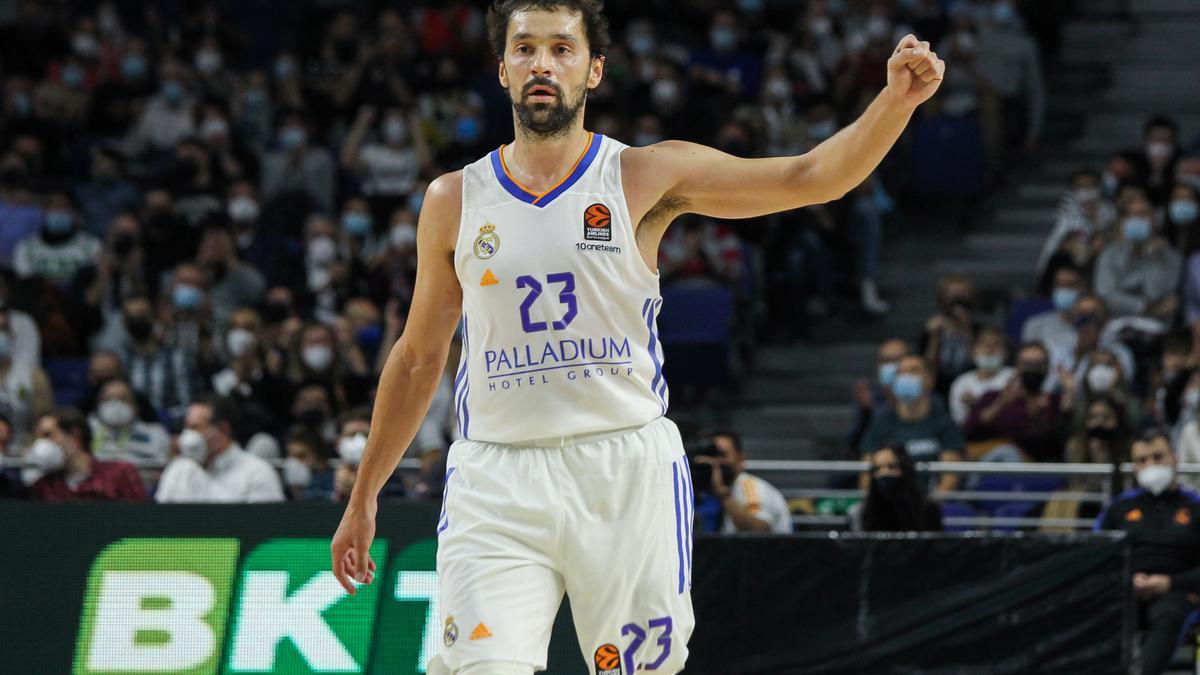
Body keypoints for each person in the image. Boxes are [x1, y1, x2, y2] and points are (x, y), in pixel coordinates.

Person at [329, 2, 946, 673]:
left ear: (593, 70)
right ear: (502, 68)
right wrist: (364, 497)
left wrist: (895, 101)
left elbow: (812, 177)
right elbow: (420, 358)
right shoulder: (453, 199)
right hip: (496, 477)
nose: (542, 63)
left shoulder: (645, 176)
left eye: (562, 49)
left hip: (622, 471)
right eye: (526, 48)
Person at [1095, 429, 1200, 675]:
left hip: (1179, 592)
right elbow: (1097, 556)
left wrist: (1169, 583)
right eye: (1142, 460)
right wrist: (1124, 581)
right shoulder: (1118, 508)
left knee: (1171, 613)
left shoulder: (1196, 507)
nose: (1151, 465)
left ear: (1174, 458)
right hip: (1125, 592)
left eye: (1158, 457)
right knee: (1097, 616)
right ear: (1134, 466)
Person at [859, 355, 964, 492]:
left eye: (914, 371)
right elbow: (866, 476)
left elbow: (949, 479)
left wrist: (925, 509)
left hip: (928, 504)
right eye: (901, 372)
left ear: (930, 380)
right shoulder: (881, 422)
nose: (906, 376)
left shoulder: (944, 423)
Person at [154, 398, 285, 503]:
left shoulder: (257, 474)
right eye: (186, 427)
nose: (187, 435)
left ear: (223, 429)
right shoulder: (177, 470)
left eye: (195, 428)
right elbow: (160, 528)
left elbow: (264, 531)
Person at [962, 342, 1065, 462]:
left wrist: (1038, 417)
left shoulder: (1053, 402)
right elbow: (969, 431)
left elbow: (1052, 448)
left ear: (1047, 368)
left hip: (1030, 467)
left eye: (1037, 365)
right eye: (1027, 364)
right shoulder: (992, 397)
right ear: (1017, 366)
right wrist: (1000, 403)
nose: (1032, 369)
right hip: (988, 462)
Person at [25, 408, 147, 502]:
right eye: (38, 438)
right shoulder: (42, 488)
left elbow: (144, 524)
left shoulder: (121, 474)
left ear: (74, 435)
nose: (40, 444)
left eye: (48, 435)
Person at [695, 430, 791, 534]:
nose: (715, 461)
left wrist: (723, 495)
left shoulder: (751, 487)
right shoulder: (706, 490)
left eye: (722, 454)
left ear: (741, 459)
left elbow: (759, 531)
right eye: (709, 455)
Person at [88, 377, 171, 489]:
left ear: (135, 406)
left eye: (123, 399)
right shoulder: (86, 429)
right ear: (98, 405)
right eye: (108, 399)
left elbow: (164, 470)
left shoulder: (156, 433)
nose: (115, 405)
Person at [853, 445, 943, 532]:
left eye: (891, 466)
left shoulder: (927, 509)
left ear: (904, 468)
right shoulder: (863, 512)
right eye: (877, 469)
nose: (884, 473)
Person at [948, 325, 1013, 425]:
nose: (989, 350)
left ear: (1006, 353)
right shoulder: (960, 383)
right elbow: (961, 423)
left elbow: (1016, 418)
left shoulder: (1014, 377)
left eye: (996, 345)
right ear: (972, 352)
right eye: (983, 344)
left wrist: (977, 405)